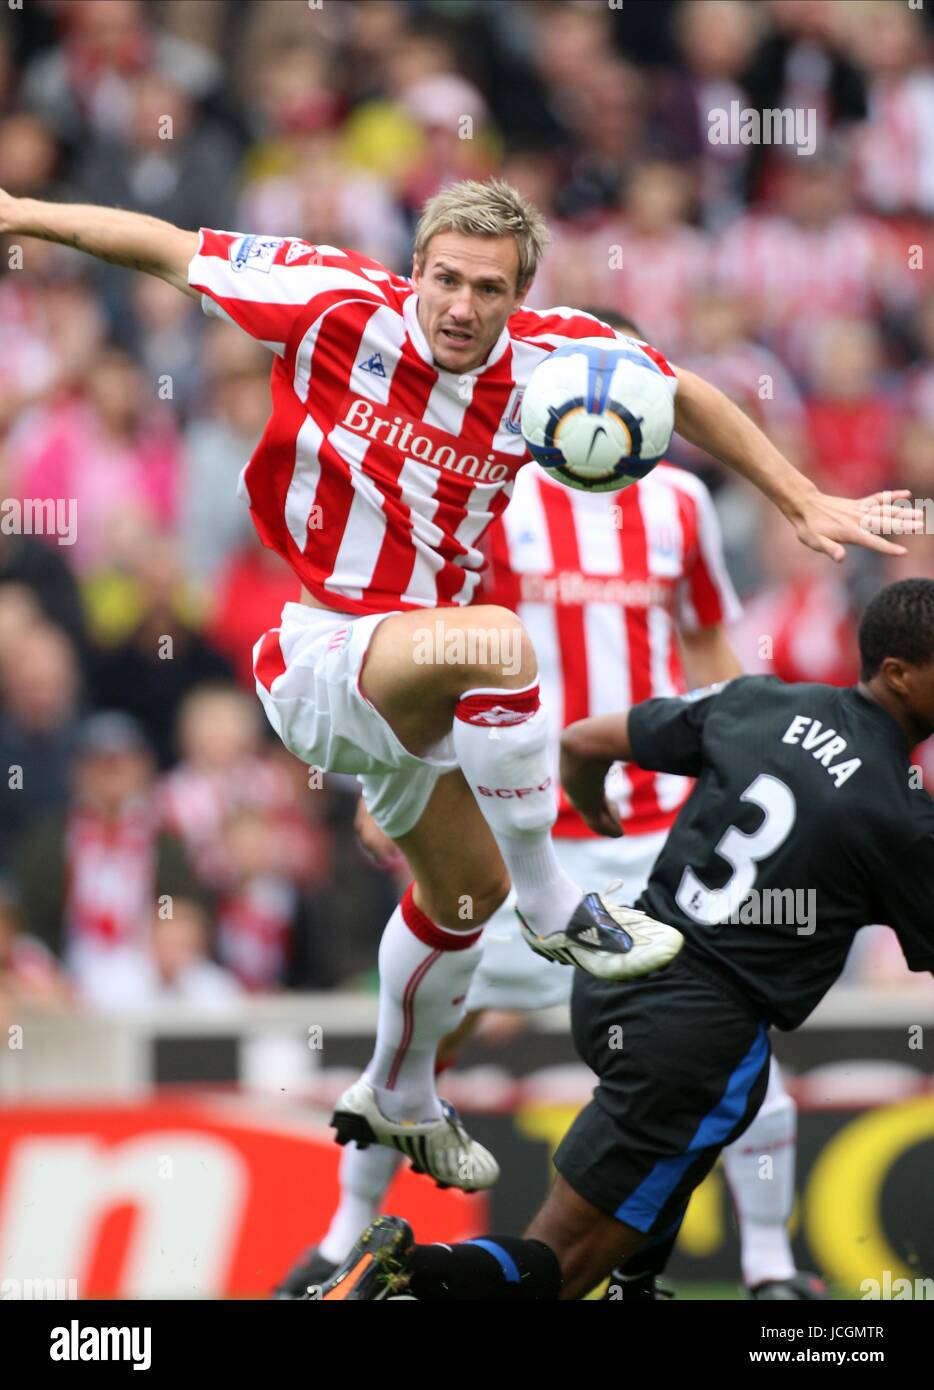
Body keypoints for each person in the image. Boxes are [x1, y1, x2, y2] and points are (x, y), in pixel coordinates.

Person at [0, 176, 917, 1189]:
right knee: (498, 643)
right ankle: (553, 899)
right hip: (323, 647)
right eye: (444, 279)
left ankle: (398, 1092)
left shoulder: (550, 355)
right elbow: (162, 244)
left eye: (487, 288)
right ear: (415, 270)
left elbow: (684, 391)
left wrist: (797, 496)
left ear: (518, 296)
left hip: (419, 691)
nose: (460, 306)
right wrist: (21, 213)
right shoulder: (328, 299)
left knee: (458, 896)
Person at [277, 312, 812, 1300]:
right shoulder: (493, 496)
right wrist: (387, 770)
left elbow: (705, 647)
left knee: (725, 1040)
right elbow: (418, 638)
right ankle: (336, 1239)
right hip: (522, 837)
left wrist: (748, 758)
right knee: (430, 1031)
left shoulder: (683, 501)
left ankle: (773, 1270)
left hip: (654, 828)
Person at [315, 577, 934, 1300]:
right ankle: (407, 1275)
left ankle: (637, 1287)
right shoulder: (902, 816)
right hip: (697, 1036)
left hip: (621, 972)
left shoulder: (764, 700)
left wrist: (588, 802)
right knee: (559, 1269)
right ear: (897, 673)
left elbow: (583, 740)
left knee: (671, 1170)